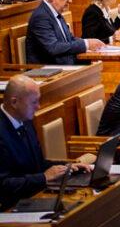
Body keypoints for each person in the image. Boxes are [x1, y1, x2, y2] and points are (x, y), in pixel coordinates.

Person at [0, 75, 92, 210]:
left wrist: (68, 167)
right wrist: (43, 178)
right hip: (11, 207)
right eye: (34, 102)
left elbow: (38, 164)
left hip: (35, 196)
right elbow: (3, 184)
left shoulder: (25, 120)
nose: (38, 107)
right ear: (14, 102)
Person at [26, 0, 104, 64]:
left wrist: (89, 44)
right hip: (49, 71)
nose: (70, 1)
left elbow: (69, 39)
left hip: (65, 66)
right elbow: (53, 47)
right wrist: (86, 44)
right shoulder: (41, 17)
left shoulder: (55, 11)